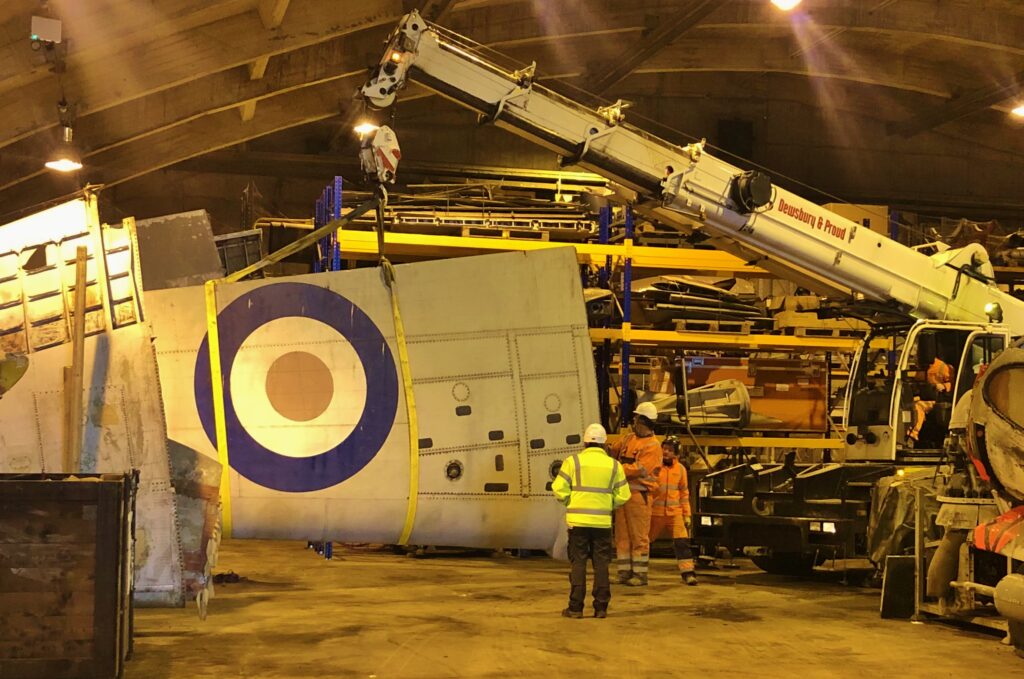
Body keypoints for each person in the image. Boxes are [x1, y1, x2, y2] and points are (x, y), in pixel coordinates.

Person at [551, 423, 631, 618]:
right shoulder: (614, 465)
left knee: (578, 563)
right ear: (605, 444)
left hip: (578, 523)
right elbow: (624, 495)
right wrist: (608, 504)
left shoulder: (573, 462)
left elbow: (558, 489)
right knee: (601, 565)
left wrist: (571, 501)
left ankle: (576, 607)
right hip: (602, 524)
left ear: (585, 442)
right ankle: (601, 608)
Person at [610, 401, 662, 586]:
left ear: (644, 421)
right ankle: (624, 572)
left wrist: (614, 468)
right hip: (624, 494)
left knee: (639, 537)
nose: (633, 420)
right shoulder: (629, 438)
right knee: (622, 536)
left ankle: (640, 575)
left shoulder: (653, 446)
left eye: (636, 417)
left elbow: (639, 469)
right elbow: (614, 450)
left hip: (640, 496)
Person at [649, 436, 698, 585]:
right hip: (654, 513)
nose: (666, 452)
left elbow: (684, 494)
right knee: (644, 542)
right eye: (664, 449)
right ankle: (638, 571)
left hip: (674, 513)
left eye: (670, 450)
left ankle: (688, 573)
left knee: (682, 542)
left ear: (676, 453)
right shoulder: (654, 466)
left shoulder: (681, 470)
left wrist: (687, 515)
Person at [908, 352, 953, 445]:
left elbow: (954, 384)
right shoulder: (920, 368)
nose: (915, 359)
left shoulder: (943, 367)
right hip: (924, 397)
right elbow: (918, 384)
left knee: (918, 406)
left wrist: (943, 386)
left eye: (916, 356)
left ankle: (913, 435)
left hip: (937, 399)